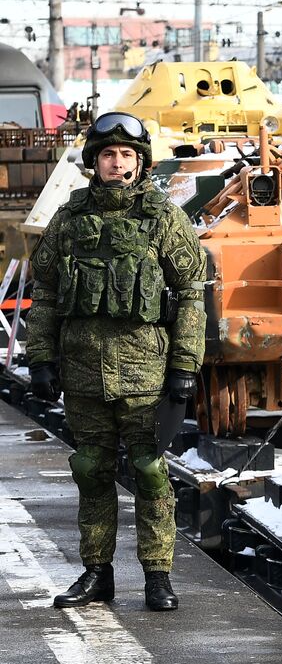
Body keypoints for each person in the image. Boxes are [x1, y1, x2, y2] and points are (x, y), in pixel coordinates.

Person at [27, 111, 206, 611]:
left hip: (144, 371)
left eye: (127, 155)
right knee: (91, 470)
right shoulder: (69, 218)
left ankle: (157, 574)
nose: (117, 162)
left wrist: (185, 365)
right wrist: (40, 357)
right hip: (83, 371)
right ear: (94, 161)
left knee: (150, 472)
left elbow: (192, 295)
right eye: (108, 154)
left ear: (141, 162)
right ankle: (96, 573)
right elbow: (44, 292)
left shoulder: (164, 219)